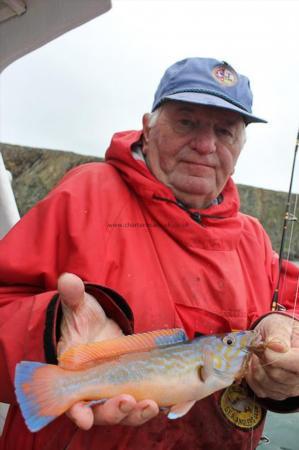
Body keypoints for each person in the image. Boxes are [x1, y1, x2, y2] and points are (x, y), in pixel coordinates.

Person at [0, 57, 298, 450]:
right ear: (148, 127)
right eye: (187, 122)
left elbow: (289, 315)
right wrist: (54, 333)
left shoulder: (253, 238)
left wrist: (284, 370)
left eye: (225, 131)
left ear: (240, 147)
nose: (206, 144)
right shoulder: (84, 195)